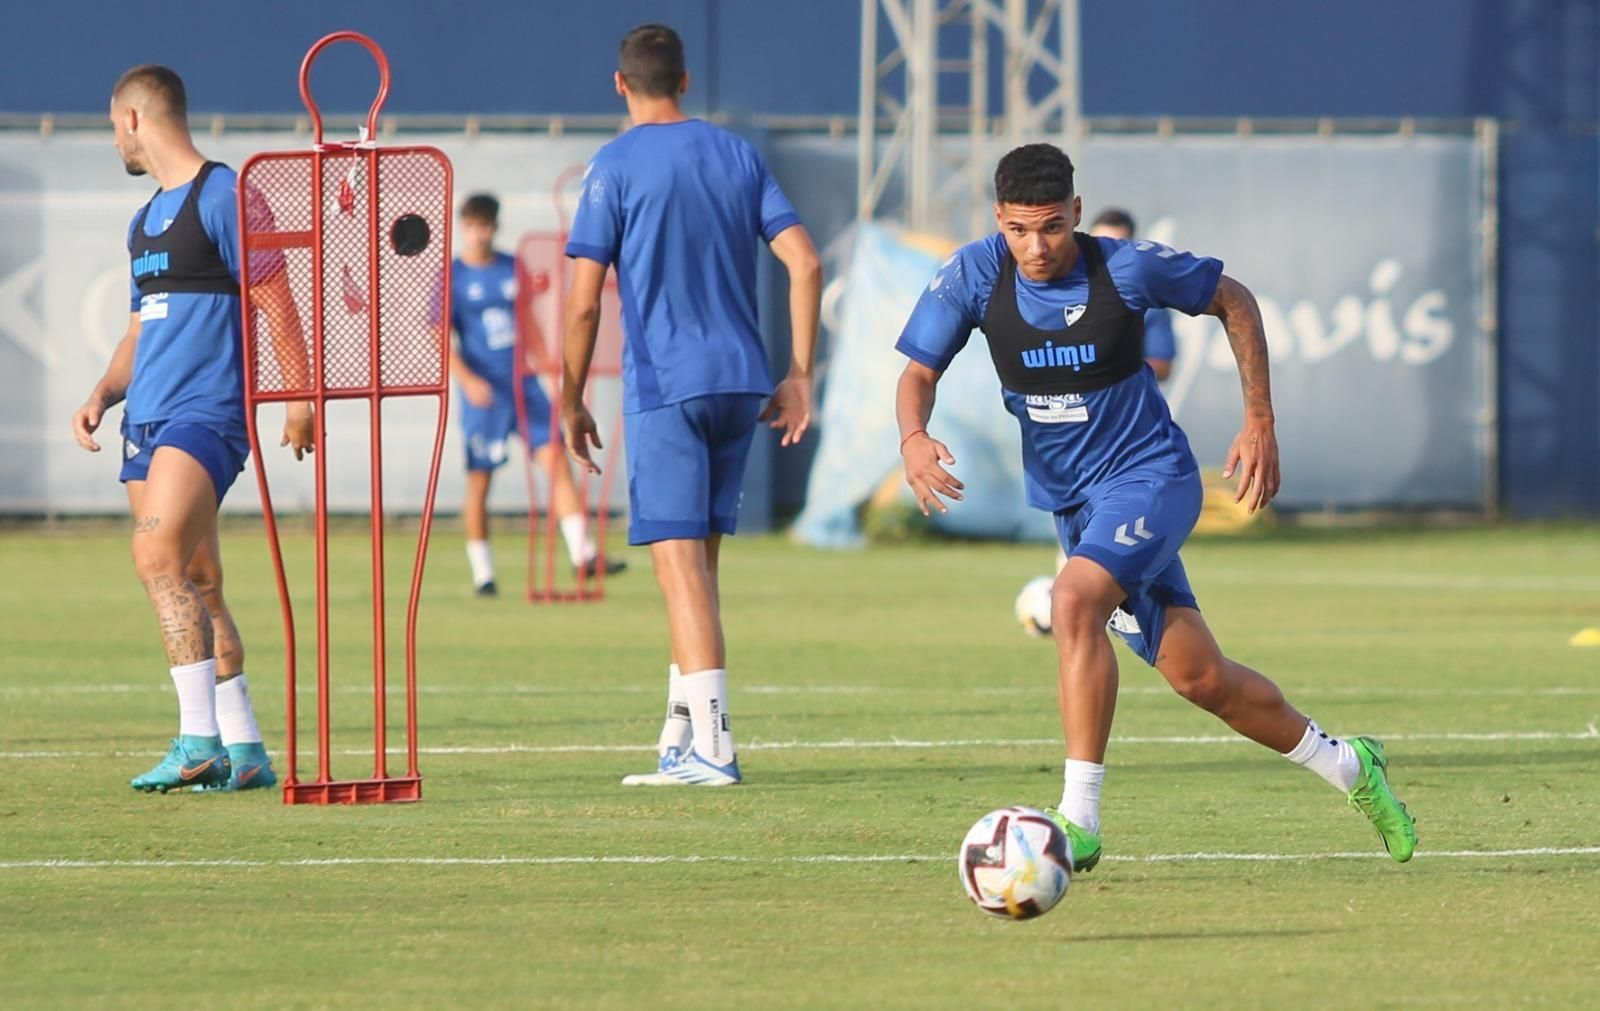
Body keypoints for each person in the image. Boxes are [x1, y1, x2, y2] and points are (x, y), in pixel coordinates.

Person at [894, 143, 1416, 868]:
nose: (1035, 246)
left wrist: (1259, 418)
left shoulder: (1124, 266)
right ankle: (1352, 765)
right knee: (1200, 677)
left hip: (1151, 480)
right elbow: (918, 374)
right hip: (1075, 506)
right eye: (1018, 229)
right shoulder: (974, 273)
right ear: (998, 221)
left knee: (1072, 598)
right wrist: (914, 437)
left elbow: (1234, 298)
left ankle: (1078, 821)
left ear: (1077, 213)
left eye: (1050, 226)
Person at [561, 24, 821, 786]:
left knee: (678, 572)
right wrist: (800, 372)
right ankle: (680, 733)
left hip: (666, 385)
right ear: (682, 80)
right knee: (695, 572)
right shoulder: (737, 152)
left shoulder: (611, 166)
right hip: (742, 381)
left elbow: (582, 307)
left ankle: (714, 747)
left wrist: (572, 396)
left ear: (619, 85)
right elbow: (803, 261)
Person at [70, 65, 313, 793]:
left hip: (205, 415)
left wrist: (299, 396)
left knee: (155, 559)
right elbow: (140, 332)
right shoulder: (143, 220)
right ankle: (245, 749)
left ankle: (197, 740)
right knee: (199, 580)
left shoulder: (227, 193)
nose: (115, 138)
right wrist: (103, 393)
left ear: (137, 119)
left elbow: (273, 295)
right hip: (145, 419)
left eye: (115, 125)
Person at [448, 193, 625, 596]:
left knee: (556, 460)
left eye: (485, 226)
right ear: (464, 227)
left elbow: (529, 324)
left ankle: (582, 553)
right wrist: (467, 380)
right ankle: (483, 574)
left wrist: (548, 369)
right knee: (480, 479)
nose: (479, 235)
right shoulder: (453, 276)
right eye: (472, 227)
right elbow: (440, 337)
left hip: (523, 384)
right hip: (485, 392)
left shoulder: (512, 267)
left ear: (495, 227)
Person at [1088, 208, 1176, 381]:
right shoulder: (1064, 288)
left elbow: (1163, 366)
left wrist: (1108, 367)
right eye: (1099, 245)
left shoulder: (1150, 303)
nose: (1106, 253)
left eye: (1115, 247)